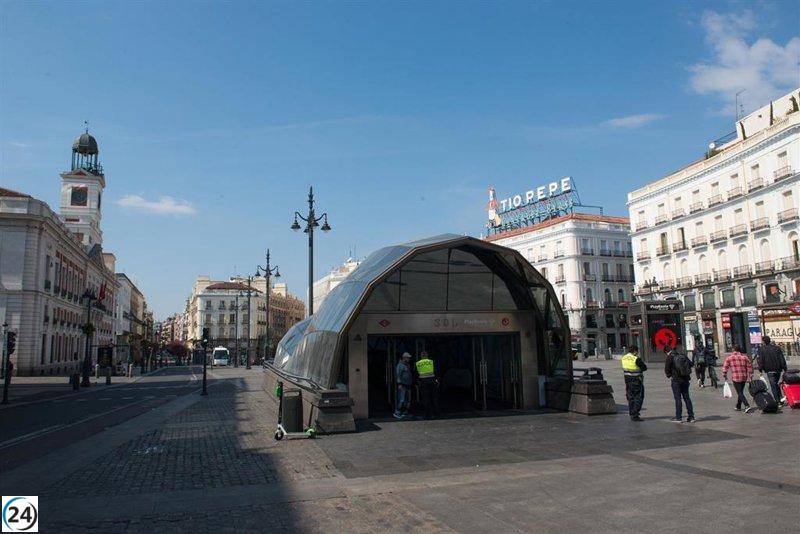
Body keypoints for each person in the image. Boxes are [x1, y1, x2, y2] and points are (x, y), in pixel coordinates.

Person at [665, 344, 695, 423]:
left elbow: (667, 371)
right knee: (687, 398)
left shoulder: (669, 357)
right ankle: (691, 417)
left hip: (676, 380)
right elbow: (691, 364)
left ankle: (679, 418)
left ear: (667, 352)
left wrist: (670, 375)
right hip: (685, 379)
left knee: (678, 399)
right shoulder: (682, 356)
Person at [722, 344, 755, 413]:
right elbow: (750, 367)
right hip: (744, 377)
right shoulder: (744, 357)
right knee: (740, 392)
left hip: (736, 377)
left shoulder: (729, 358)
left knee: (739, 392)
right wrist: (750, 376)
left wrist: (725, 375)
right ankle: (738, 406)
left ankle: (747, 405)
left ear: (733, 349)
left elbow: (725, 367)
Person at [756, 336, 787, 405]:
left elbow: (761, 360)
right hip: (778, 369)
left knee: (773, 385)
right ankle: (780, 398)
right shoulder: (777, 348)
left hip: (769, 370)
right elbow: (782, 358)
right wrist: (784, 368)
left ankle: (777, 400)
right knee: (776, 384)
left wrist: (760, 369)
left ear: (764, 341)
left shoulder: (762, 349)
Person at [620, 345, 647, 421]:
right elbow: (644, 368)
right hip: (636, 380)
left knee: (630, 397)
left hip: (627, 380)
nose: (637, 353)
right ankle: (635, 413)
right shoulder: (636, 359)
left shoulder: (624, 357)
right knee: (638, 397)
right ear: (635, 351)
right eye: (637, 351)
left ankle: (631, 412)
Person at [415, 350, 439, 420]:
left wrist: (416, 383)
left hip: (423, 382)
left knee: (426, 399)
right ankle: (436, 413)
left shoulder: (418, 363)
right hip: (432, 381)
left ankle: (428, 415)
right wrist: (437, 380)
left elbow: (416, 374)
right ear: (427, 355)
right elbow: (436, 371)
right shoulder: (431, 362)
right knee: (434, 397)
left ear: (421, 356)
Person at [394, 353, 413, 419]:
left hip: (408, 384)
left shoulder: (407, 365)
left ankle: (405, 413)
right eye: (408, 358)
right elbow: (398, 375)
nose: (409, 359)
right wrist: (399, 384)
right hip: (403, 385)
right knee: (401, 400)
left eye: (409, 358)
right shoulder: (400, 365)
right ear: (404, 358)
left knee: (407, 400)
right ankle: (397, 412)